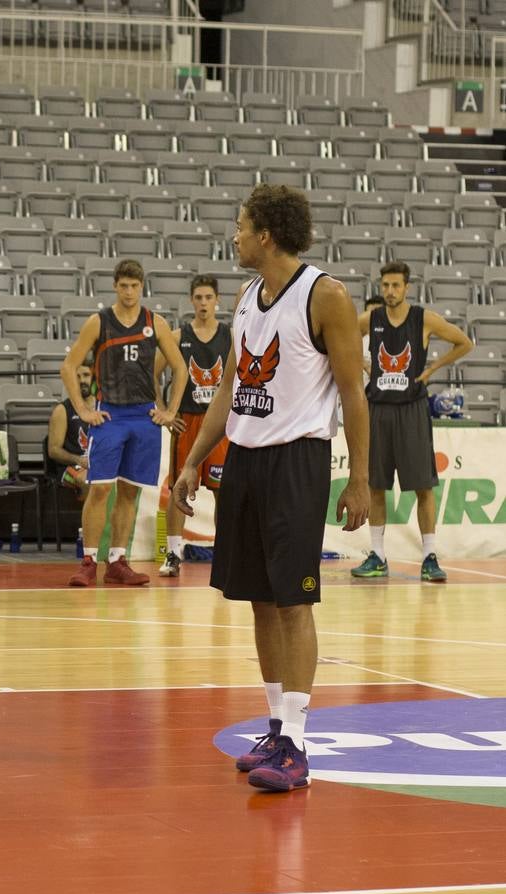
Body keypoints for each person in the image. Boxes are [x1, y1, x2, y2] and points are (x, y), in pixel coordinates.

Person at [172, 184, 370, 793]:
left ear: (266, 235)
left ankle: (299, 743)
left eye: (240, 227)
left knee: (293, 600)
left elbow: (354, 393)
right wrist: (193, 462)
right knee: (258, 598)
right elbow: (229, 390)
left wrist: (358, 477)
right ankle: (277, 728)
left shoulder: (326, 296)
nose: (233, 236)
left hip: (297, 462)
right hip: (246, 462)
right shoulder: (246, 298)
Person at [61, 259, 186, 587]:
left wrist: (169, 410)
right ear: (115, 286)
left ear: (142, 287)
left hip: (143, 418)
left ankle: (117, 560)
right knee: (100, 489)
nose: (129, 292)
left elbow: (181, 369)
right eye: (124, 286)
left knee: (129, 492)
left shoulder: (155, 323)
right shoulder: (98, 322)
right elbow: (69, 366)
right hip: (110, 416)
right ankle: (89, 561)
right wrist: (83, 409)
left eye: (135, 286)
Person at [350, 261, 472, 583]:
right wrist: (361, 363)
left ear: (407, 287)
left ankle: (429, 557)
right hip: (378, 409)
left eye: (396, 285)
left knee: (423, 487)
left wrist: (432, 369)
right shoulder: (370, 319)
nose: (390, 291)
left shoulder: (423, 319)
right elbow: (338, 339)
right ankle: (377, 556)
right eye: (385, 285)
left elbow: (464, 342)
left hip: (413, 410)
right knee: (376, 486)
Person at [154, 274, 232, 577]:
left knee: (223, 491)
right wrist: (163, 410)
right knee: (178, 489)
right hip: (186, 421)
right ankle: (173, 553)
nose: (203, 303)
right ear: (191, 300)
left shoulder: (231, 335)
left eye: (208, 297)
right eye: (198, 298)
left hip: (220, 424)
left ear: (217, 300)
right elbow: (152, 373)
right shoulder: (177, 336)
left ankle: (225, 552)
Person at [46, 357, 95, 501]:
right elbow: (53, 450)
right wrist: (78, 460)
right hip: (70, 467)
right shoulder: (62, 410)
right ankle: (90, 523)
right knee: (88, 479)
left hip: (99, 462)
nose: (81, 381)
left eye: (86, 375)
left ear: (93, 377)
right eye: (77, 377)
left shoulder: (103, 407)